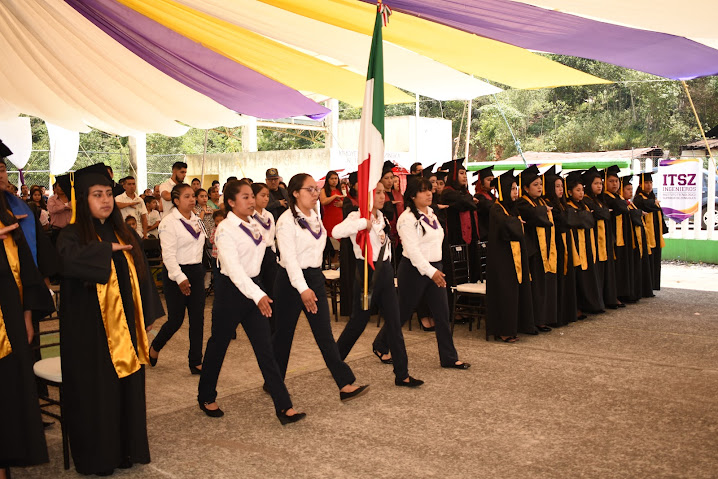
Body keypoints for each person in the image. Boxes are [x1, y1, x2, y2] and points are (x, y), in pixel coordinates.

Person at [55, 163, 164, 476]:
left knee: (125, 388)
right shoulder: (71, 235)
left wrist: (147, 314)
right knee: (97, 393)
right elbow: (65, 262)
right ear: (82, 200)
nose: (105, 200)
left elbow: (142, 275)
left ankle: (124, 450)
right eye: (96, 194)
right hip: (89, 333)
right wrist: (104, 251)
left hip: (126, 328)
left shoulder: (123, 230)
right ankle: (98, 457)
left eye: (107, 194)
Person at [196, 180, 305, 423]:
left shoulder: (255, 223)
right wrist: (258, 294)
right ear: (231, 203)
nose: (251, 201)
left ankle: (284, 406)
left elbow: (264, 255)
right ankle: (206, 395)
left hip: (255, 288)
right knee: (219, 345)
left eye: (251, 196)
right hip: (231, 293)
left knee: (265, 347)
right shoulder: (224, 230)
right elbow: (234, 271)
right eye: (244, 197)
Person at [272, 173, 369, 401]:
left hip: (313, 277)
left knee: (323, 333)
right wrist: (303, 289)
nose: (316, 194)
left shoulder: (315, 216)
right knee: (284, 335)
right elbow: (290, 259)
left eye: (317, 189)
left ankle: (344, 383)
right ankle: (273, 380)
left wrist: (313, 282)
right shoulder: (286, 221)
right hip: (290, 280)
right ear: (295, 193)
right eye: (310, 190)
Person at [333, 181, 424, 387]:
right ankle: (335, 361)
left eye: (384, 193)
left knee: (394, 323)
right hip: (366, 274)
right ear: (368, 196)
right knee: (358, 323)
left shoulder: (382, 217)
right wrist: (361, 224)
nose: (384, 197)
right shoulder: (357, 216)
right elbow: (336, 232)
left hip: (385, 273)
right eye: (379, 193)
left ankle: (402, 374)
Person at [374, 177, 470, 369]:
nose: (429, 193)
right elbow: (413, 251)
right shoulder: (406, 219)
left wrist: (437, 269)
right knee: (402, 313)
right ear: (412, 195)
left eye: (430, 190)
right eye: (423, 190)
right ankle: (380, 344)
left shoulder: (432, 214)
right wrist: (431, 271)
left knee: (442, 313)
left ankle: (449, 358)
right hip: (413, 270)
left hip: (435, 268)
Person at [0, 187, 54, 479]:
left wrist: (28, 316)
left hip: (11, 322)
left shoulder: (11, 215)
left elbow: (26, 273)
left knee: (9, 390)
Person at [150, 183, 206, 374]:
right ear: (176, 200)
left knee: (198, 319)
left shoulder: (198, 219)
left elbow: (206, 243)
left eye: (193, 196)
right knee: (176, 320)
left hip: (196, 271)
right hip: (176, 273)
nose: (192, 200)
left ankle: (196, 361)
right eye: (187, 197)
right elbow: (168, 255)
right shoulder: (168, 222)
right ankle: (155, 346)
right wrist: (180, 278)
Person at [486, 170, 535, 341]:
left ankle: (517, 325)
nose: (515, 192)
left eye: (516, 188)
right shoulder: (496, 208)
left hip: (514, 256)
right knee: (505, 293)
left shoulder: (511, 208)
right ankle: (504, 330)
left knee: (517, 291)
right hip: (501, 259)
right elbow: (505, 226)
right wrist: (516, 223)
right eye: (512, 189)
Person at [516, 165, 555, 333]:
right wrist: (542, 211)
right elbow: (534, 216)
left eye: (540, 184)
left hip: (543, 249)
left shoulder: (541, 201)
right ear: (525, 188)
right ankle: (533, 321)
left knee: (542, 286)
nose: (539, 187)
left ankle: (543, 318)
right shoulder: (522, 202)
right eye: (535, 185)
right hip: (532, 251)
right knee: (535, 287)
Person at [565, 171, 604, 316]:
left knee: (588, 275)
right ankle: (578, 307)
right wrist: (586, 217)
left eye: (582, 190)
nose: (581, 193)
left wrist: (585, 217)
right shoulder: (568, 206)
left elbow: (589, 221)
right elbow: (581, 220)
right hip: (575, 245)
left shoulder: (583, 206)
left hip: (587, 244)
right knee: (578, 276)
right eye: (577, 190)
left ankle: (590, 304)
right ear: (569, 192)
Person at [544, 167, 578, 327]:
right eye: (557, 186)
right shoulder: (548, 205)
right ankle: (557, 315)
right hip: (555, 245)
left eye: (561, 186)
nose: (560, 189)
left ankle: (566, 313)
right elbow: (566, 221)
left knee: (567, 278)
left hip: (565, 243)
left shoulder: (561, 205)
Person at [583, 167, 620, 309]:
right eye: (596, 183)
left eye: (600, 183)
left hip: (604, 240)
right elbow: (603, 213)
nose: (599, 186)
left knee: (606, 270)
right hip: (594, 241)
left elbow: (604, 213)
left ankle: (606, 299)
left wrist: (602, 212)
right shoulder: (586, 200)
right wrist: (603, 212)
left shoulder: (599, 200)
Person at [601, 166, 632, 306]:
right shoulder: (606, 197)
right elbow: (622, 207)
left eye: (616, 181)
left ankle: (622, 293)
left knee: (621, 265)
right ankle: (614, 296)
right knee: (615, 267)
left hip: (622, 236)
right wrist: (624, 204)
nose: (615, 184)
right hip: (612, 236)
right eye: (611, 181)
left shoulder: (617, 196)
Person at [251, 182, 278, 333]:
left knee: (272, 290)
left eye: (268, 196)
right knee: (258, 290)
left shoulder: (268, 215)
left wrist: (274, 254)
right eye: (262, 195)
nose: (266, 199)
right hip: (255, 255)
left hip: (269, 254)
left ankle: (272, 325)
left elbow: (272, 236)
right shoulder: (249, 216)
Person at [633, 172, 666, 290]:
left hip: (655, 233)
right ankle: (646, 286)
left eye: (651, 182)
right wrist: (654, 203)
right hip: (646, 234)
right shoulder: (638, 199)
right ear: (641, 184)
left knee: (656, 260)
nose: (649, 185)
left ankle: (653, 284)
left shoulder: (652, 197)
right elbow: (646, 205)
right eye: (646, 183)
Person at [622, 178, 654, 298]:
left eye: (631, 189)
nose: (630, 192)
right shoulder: (635, 200)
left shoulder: (630, 203)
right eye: (628, 189)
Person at [319, 170, 344, 239]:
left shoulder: (340, 189)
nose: (334, 180)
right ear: (328, 180)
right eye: (332, 178)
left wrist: (343, 204)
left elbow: (346, 201)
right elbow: (323, 201)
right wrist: (334, 196)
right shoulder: (323, 190)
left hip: (340, 219)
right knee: (332, 241)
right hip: (330, 219)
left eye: (336, 178)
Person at [473, 166, 495, 241]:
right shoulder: (478, 196)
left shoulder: (492, 196)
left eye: (493, 179)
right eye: (489, 180)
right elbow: (488, 206)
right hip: (485, 233)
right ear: (481, 182)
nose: (492, 182)